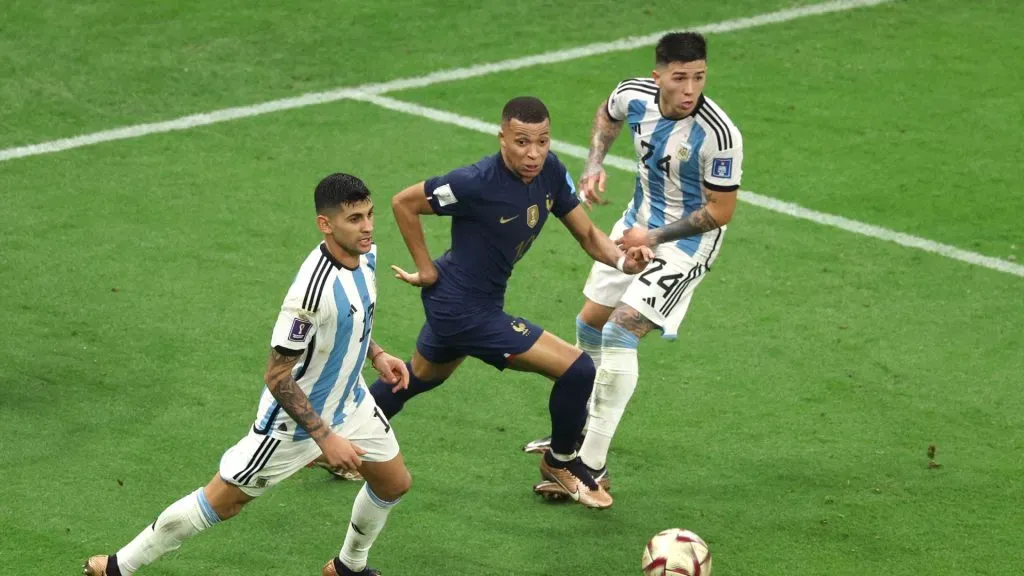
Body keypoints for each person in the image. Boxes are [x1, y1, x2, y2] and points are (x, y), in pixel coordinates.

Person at [83, 173, 412, 576]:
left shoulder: (366, 255)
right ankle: (117, 566)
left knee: (393, 483)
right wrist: (324, 437)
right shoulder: (309, 295)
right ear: (326, 225)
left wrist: (375, 353)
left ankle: (347, 567)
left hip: (351, 401)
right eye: (355, 219)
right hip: (293, 425)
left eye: (369, 215)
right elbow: (277, 376)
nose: (367, 227)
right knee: (223, 501)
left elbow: (352, 317)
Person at [362, 96, 651, 510]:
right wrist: (424, 268)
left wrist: (624, 261)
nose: (533, 153)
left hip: (467, 300)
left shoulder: (550, 172)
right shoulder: (475, 182)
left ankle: (338, 442)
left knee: (420, 377)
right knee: (577, 369)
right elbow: (403, 202)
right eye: (521, 142)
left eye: (542, 141)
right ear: (502, 139)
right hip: (463, 309)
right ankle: (561, 462)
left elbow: (588, 236)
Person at [523, 32, 744, 499]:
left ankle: (591, 467)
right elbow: (608, 112)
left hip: (687, 243)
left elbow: (721, 211)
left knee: (621, 330)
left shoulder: (719, 135)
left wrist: (655, 239)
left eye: (699, 78)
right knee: (589, 325)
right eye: (680, 78)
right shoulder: (633, 94)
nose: (690, 90)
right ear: (658, 75)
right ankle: (577, 438)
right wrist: (594, 163)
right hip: (636, 223)